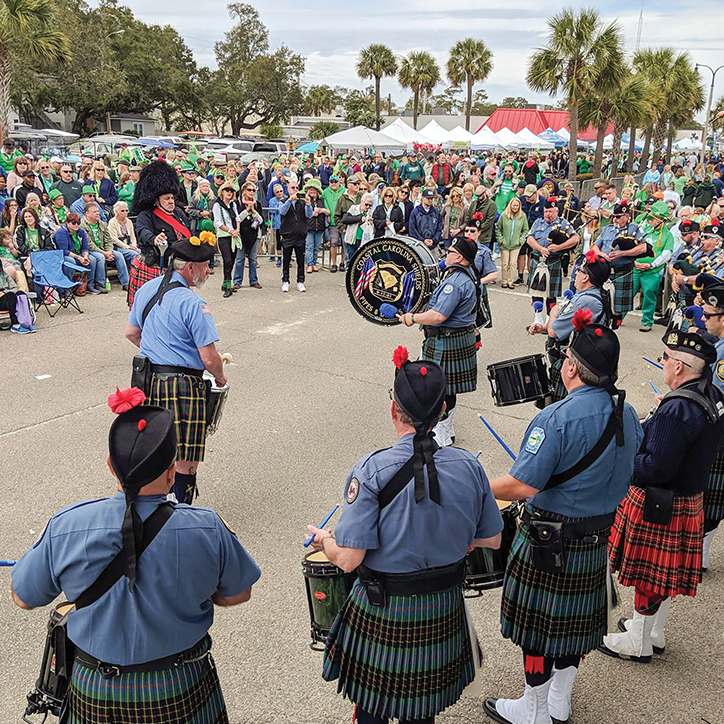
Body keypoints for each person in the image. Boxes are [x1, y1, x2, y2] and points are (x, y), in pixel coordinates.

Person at [11, 386, 259, 723]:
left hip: (95, 687)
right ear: (173, 471)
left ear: (111, 467)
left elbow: (24, 597)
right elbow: (238, 593)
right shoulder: (208, 528)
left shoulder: (67, 525)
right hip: (180, 683)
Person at [308, 348, 503, 724]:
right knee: (421, 712)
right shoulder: (470, 468)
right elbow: (492, 540)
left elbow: (349, 559)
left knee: (372, 712)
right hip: (442, 609)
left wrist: (325, 542)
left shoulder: (370, 469)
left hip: (384, 612)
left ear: (394, 409)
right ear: (443, 410)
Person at [485, 317, 642, 724]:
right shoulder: (630, 416)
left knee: (537, 631)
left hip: (547, 541)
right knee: (576, 628)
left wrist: (477, 487)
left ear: (570, 367)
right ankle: (560, 700)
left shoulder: (556, 418)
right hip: (595, 539)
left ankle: (532, 710)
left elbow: (520, 485)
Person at [602, 329, 724, 663]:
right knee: (663, 576)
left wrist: (624, 460)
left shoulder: (678, 409)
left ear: (681, 367)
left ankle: (637, 643)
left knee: (648, 576)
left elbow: (655, 468)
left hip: (660, 500)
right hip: (688, 498)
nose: (662, 363)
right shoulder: (710, 393)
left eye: (666, 358)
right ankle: (652, 631)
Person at [125, 236, 226, 504]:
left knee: (155, 451)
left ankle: (152, 510)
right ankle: (181, 512)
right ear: (190, 268)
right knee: (185, 460)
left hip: (148, 383)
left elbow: (132, 333)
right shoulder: (194, 303)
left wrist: (159, 349)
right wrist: (219, 376)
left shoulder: (147, 289)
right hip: (183, 386)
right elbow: (209, 357)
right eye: (205, 266)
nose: (208, 271)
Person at [400, 236, 480, 447]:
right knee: (448, 389)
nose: (447, 254)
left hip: (446, 339)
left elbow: (438, 316)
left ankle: (442, 432)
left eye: (451, 251)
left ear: (460, 257)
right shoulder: (468, 274)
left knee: (439, 389)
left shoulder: (454, 283)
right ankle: (447, 428)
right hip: (457, 337)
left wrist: (412, 318)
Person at [529, 251, 612, 403]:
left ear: (586, 277)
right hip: (567, 357)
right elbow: (558, 325)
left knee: (561, 407)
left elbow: (554, 331)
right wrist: (541, 327)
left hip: (575, 362)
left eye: (579, 270)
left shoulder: (587, 301)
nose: (576, 273)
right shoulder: (583, 295)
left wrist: (553, 311)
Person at [130, 161, 192, 309]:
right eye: (166, 198)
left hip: (177, 267)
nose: (171, 201)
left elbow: (187, 233)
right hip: (155, 266)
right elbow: (142, 231)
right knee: (148, 308)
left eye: (172, 198)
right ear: (156, 201)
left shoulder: (178, 213)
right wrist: (154, 239)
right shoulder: (146, 215)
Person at [593, 200, 647, 327]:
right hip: (605, 270)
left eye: (618, 217)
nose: (615, 219)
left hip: (622, 272)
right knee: (602, 303)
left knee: (617, 310)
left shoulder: (634, 229)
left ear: (627, 216)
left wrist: (622, 253)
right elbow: (595, 247)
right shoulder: (607, 229)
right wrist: (602, 254)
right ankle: (603, 327)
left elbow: (643, 248)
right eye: (614, 216)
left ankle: (614, 330)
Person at [527, 197, 579, 315]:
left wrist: (559, 247)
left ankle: (549, 321)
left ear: (556, 211)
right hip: (538, 261)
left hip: (553, 261)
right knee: (536, 293)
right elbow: (529, 238)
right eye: (546, 211)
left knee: (551, 295)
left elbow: (575, 239)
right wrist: (540, 248)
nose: (548, 214)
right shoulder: (538, 222)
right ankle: (538, 319)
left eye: (550, 211)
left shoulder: (563, 223)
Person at [631, 200, 675, 332]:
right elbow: (633, 245)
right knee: (627, 293)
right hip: (635, 268)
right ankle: (618, 317)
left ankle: (647, 322)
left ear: (663, 220)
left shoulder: (668, 236)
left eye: (657, 219)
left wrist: (650, 265)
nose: (654, 221)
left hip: (652, 271)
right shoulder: (644, 229)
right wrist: (633, 261)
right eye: (653, 219)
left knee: (649, 295)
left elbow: (665, 255)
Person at [82, 201, 133, 291]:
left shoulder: (101, 223)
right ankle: (100, 284)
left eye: (98, 211)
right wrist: (104, 253)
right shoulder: (83, 225)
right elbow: (89, 244)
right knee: (100, 257)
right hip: (90, 251)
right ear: (87, 214)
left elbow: (109, 239)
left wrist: (109, 251)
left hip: (104, 250)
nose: (98, 213)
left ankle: (126, 283)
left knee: (119, 255)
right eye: (94, 212)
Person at [279, 181, 310, 293]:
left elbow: (309, 215)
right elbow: (282, 212)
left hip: (300, 235)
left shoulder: (302, 203)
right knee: (286, 260)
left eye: (297, 188)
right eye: (293, 187)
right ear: (288, 189)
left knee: (301, 260)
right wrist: (289, 200)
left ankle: (300, 282)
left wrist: (308, 203)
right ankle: (285, 281)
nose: (295, 189)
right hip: (287, 235)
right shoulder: (283, 201)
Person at [233, 181, 264, 290]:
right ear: (244, 191)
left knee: (253, 259)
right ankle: (237, 281)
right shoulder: (237, 203)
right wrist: (247, 210)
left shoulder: (257, 204)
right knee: (240, 259)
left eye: (253, 190)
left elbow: (261, 220)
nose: (251, 192)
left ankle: (254, 281)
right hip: (241, 234)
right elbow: (237, 219)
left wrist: (253, 210)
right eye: (249, 190)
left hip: (254, 234)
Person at [213, 183, 241, 298]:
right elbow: (218, 222)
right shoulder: (217, 205)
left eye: (231, 190)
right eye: (227, 190)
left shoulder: (233, 204)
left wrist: (237, 229)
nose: (229, 192)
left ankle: (225, 283)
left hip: (233, 235)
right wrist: (231, 231)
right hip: (223, 235)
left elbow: (237, 218)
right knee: (227, 260)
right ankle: (228, 285)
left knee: (233, 259)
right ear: (222, 192)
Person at [496, 197, 529, 289]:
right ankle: (504, 280)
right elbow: (498, 228)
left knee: (513, 263)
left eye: (517, 206)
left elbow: (525, 230)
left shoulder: (522, 216)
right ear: (510, 205)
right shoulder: (504, 215)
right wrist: (501, 240)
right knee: (505, 263)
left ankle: (511, 281)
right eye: (513, 205)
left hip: (516, 244)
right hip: (505, 244)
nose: (515, 207)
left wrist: (521, 240)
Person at [303, 178, 329, 273]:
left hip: (320, 227)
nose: (313, 191)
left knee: (316, 247)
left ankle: (314, 263)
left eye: (314, 190)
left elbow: (328, 211)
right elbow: (303, 213)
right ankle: (309, 264)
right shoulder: (305, 201)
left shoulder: (322, 200)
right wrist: (311, 213)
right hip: (309, 227)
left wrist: (321, 210)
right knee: (309, 246)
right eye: (311, 189)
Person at [322, 175, 345, 271]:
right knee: (333, 243)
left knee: (344, 243)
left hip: (343, 221)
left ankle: (343, 262)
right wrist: (328, 215)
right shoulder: (326, 192)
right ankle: (334, 264)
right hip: (333, 222)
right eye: (332, 182)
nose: (334, 183)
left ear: (339, 182)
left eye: (335, 181)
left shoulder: (345, 191)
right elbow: (325, 203)